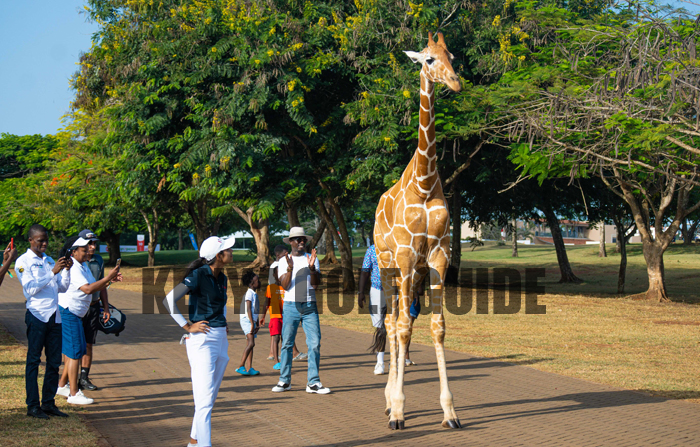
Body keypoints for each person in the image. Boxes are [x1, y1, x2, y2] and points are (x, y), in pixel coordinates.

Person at [163, 236, 235, 447]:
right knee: (204, 401)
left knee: (209, 397)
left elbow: (219, 304)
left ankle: (195, 440)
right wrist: (187, 326)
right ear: (218, 256)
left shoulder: (222, 277)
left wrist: (222, 322)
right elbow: (168, 300)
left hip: (220, 339)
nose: (231, 252)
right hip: (202, 340)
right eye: (227, 250)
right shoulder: (198, 275)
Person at [15, 225, 72, 419]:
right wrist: (52, 272)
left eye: (46, 240)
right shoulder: (23, 261)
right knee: (33, 361)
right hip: (37, 315)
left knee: (54, 362)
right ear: (31, 240)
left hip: (54, 317)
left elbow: (62, 288)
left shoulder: (48, 260)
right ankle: (32, 405)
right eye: (40, 240)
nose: (44, 243)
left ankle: (48, 403)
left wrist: (65, 271)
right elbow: (29, 289)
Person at [56, 237, 121, 405]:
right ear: (74, 251)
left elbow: (95, 286)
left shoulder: (83, 265)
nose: (88, 251)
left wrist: (109, 280)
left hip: (78, 313)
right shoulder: (74, 267)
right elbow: (87, 289)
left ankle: (62, 385)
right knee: (75, 352)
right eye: (84, 250)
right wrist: (108, 277)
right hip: (70, 311)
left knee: (74, 351)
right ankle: (73, 393)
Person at [272, 227, 330, 394]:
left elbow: (315, 284)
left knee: (314, 343)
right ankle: (284, 380)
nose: (301, 242)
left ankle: (313, 382)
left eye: (303, 239)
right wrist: (290, 269)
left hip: (310, 306)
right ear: (290, 242)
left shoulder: (311, 258)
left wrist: (312, 268)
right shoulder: (284, 261)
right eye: (297, 239)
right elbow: (285, 285)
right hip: (291, 305)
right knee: (287, 344)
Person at [259, 245, 304, 370]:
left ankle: (276, 354)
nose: (287, 255)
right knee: (278, 335)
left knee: (282, 334)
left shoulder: (281, 267)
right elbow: (269, 297)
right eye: (285, 253)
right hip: (277, 310)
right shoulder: (276, 267)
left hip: (283, 309)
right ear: (279, 255)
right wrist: (263, 315)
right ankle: (281, 356)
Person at [77, 229, 110, 391]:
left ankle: (84, 377)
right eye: (89, 243)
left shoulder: (98, 260)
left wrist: (106, 307)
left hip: (93, 307)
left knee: (89, 343)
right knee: (75, 344)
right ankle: (69, 377)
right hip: (77, 308)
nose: (92, 246)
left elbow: (102, 285)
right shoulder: (75, 261)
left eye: (94, 243)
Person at [358, 244, 387, 375]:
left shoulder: (397, 245)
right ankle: (380, 362)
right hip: (376, 290)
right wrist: (360, 292)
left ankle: (397, 360)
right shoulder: (371, 249)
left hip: (395, 290)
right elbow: (365, 271)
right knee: (380, 327)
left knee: (395, 327)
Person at [236, 270, 260, 376]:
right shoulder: (249, 294)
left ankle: (250, 368)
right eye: (256, 280)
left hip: (251, 320)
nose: (258, 282)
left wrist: (257, 322)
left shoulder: (254, 294)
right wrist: (251, 323)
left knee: (250, 344)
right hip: (247, 320)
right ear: (251, 283)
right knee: (251, 343)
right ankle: (240, 366)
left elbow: (255, 310)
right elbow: (249, 309)